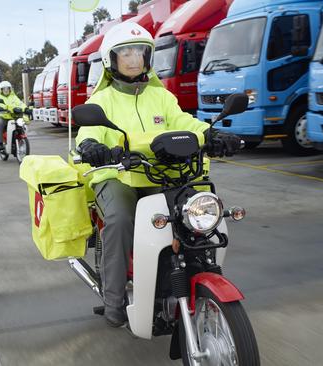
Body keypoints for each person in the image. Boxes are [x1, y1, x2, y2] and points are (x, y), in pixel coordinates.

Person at [75, 22, 241, 327]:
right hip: (117, 176)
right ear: (112, 60)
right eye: (125, 52)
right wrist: (91, 146)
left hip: (158, 174)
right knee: (120, 219)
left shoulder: (160, 96)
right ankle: (114, 301)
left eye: (139, 51)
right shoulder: (102, 100)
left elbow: (184, 122)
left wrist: (212, 134)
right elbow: (88, 131)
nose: (133, 59)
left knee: (194, 211)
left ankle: (198, 275)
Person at [0, 81, 26, 153]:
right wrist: (0, 107)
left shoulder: (14, 97)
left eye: (7, 88)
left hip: (14, 116)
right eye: (3, 88)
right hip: (4, 117)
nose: (6, 90)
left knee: (21, 123)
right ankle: (0, 143)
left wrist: (26, 109)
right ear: (1, 90)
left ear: (10, 89)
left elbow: (21, 104)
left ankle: (21, 136)